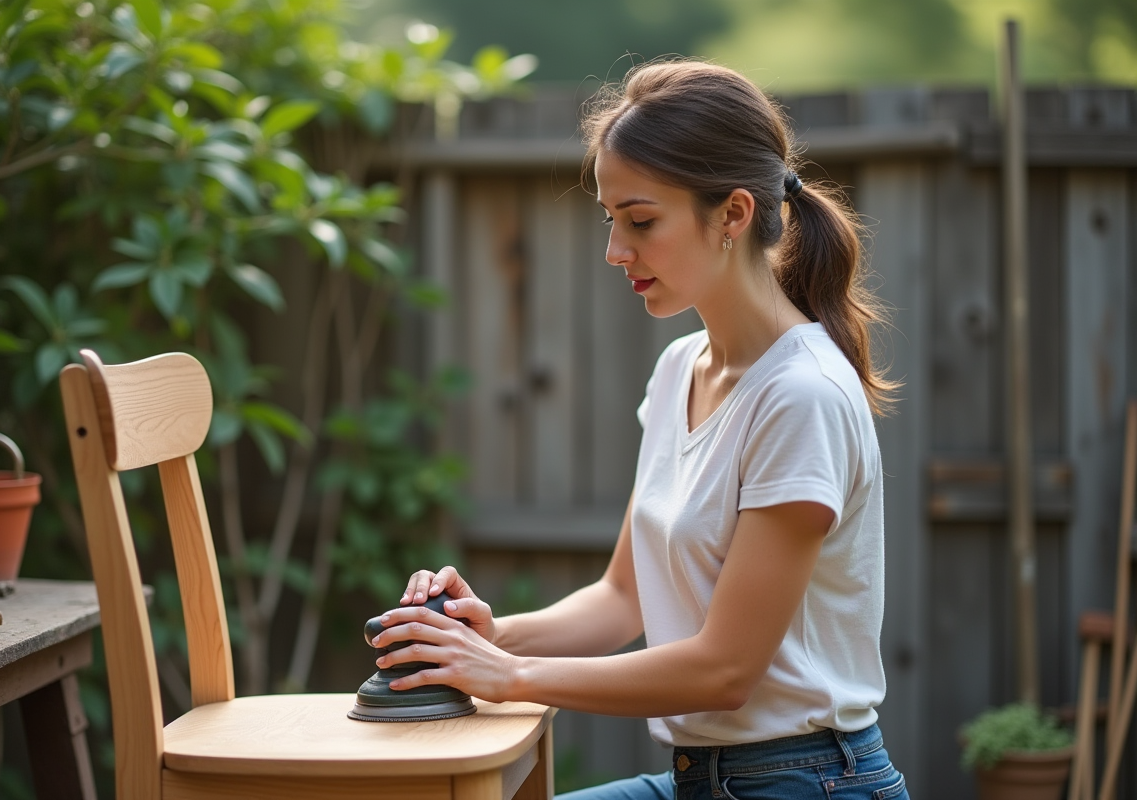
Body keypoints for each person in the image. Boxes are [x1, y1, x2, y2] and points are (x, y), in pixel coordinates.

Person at [370, 59, 909, 800]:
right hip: (703, 781)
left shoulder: (801, 397)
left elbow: (725, 671)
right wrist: (484, 638)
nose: (615, 251)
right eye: (611, 220)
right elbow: (622, 598)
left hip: (807, 782)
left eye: (642, 221)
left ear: (733, 214)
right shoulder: (680, 370)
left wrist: (513, 678)